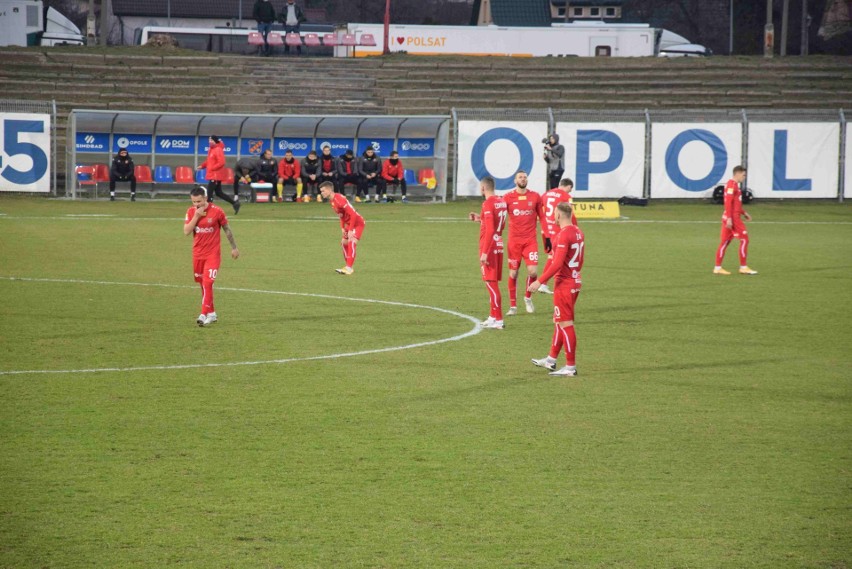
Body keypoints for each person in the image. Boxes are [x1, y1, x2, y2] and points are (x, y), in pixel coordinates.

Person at [528, 202, 584, 376]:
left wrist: (540, 281)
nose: (552, 216)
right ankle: (551, 360)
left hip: (565, 285)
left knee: (566, 324)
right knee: (559, 322)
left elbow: (557, 263)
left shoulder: (563, 235)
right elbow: (579, 261)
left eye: (554, 213)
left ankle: (570, 366)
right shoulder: (578, 232)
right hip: (574, 281)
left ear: (559, 215)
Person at [183, 186, 240, 327]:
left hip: (213, 254)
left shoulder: (217, 211)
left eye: (199, 201)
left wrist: (234, 247)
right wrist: (196, 215)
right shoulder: (191, 212)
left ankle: (203, 314)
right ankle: (212, 313)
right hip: (197, 254)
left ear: (205, 198)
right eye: (194, 202)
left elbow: (227, 229)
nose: (196, 205)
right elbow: (186, 231)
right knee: (203, 285)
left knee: (208, 282)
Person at [503, 170, 546, 316]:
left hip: (530, 241)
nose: (523, 179)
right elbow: (499, 216)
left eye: (525, 177)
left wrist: (547, 236)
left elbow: (543, 218)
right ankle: (513, 306)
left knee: (533, 272)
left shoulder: (535, 197)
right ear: (515, 181)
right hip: (514, 242)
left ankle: (528, 297)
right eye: (520, 177)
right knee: (513, 273)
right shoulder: (508, 198)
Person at [469, 175, 507, 330]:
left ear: (483, 188)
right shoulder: (501, 201)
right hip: (498, 244)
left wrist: (485, 252)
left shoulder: (488, 203)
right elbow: (495, 224)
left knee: (491, 284)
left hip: (489, 247)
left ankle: (498, 319)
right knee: (492, 283)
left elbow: (491, 229)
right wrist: (480, 219)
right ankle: (492, 316)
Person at [714, 165, 757, 275]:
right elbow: (728, 202)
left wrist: (744, 212)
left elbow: (735, 203)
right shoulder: (731, 185)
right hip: (733, 219)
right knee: (744, 240)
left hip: (731, 217)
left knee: (724, 242)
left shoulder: (734, 185)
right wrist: (729, 218)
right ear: (737, 173)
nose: (744, 177)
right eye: (743, 175)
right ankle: (743, 267)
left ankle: (717, 268)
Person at [538, 178, 577, 295]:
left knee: (551, 257)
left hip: (546, 230)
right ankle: (543, 284)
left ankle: (543, 284)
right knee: (555, 258)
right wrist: (575, 227)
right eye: (570, 189)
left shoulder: (546, 194)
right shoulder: (565, 196)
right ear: (568, 186)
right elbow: (570, 214)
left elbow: (540, 209)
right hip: (557, 229)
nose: (570, 192)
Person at [319, 181, 365, 275]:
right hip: (349, 224)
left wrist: (351, 230)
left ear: (329, 190)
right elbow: (341, 215)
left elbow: (353, 214)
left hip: (357, 223)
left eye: (323, 191)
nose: (321, 193)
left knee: (351, 242)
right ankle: (348, 266)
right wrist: (343, 228)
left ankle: (349, 268)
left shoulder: (339, 199)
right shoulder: (332, 201)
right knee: (344, 243)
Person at [198, 136, 240, 214]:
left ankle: (208, 210)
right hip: (213, 174)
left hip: (215, 175)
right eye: (209, 140)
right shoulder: (211, 149)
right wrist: (202, 166)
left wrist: (213, 168)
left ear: (215, 141)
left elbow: (221, 162)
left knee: (209, 192)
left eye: (211, 140)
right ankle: (235, 203)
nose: (209, 141)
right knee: (219, 192)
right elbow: (209, 161)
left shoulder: (218, 150)